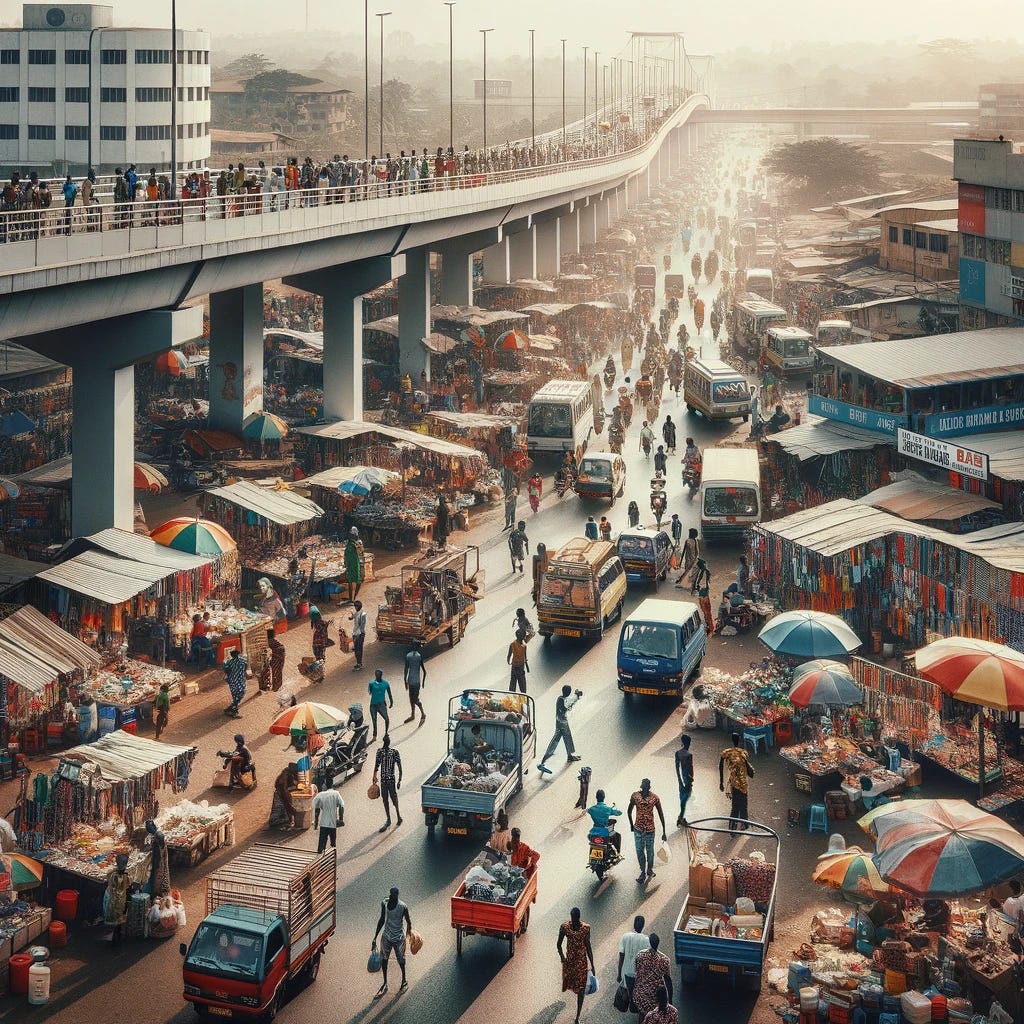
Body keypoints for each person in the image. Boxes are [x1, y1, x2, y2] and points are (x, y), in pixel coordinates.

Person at [557, 907, 596, 1024]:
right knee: (571, 985)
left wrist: (593, 965)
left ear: (577, 918)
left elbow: (588, 948)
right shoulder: (565, 928)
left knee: (581, 991)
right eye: (572, 919)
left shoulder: (584, 929)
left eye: (575, 918)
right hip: (571, 964)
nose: (573, 921)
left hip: (581, 965)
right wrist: (562, 958)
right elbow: (558, 945)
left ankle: (577, 1017)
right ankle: (577, 1016)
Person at [371, 887, 412, 998]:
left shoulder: (403, 907)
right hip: (387, 936)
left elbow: (408, 921)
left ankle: (404, 980)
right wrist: (375, 937)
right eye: (392, 895)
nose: (393, 897)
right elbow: (381, 920)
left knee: (401, 960)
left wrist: (410, 933)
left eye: (395, 896)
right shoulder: (385, 903)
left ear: (397, 895)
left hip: (399, 938)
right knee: (384, 960)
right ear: (390, 895)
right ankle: (385, 983)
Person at [628, 778, 667, 884]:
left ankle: (649, 869)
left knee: (650, 852)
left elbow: (661, 814)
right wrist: (631, 824)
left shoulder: (655, 798)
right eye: (644, 786)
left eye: (646, 786)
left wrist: (664, 831)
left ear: (648, 787)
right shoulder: (635, 796)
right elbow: (629, 810)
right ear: (642, 786)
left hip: (650, 830)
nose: (645, 788)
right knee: (640, 851)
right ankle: (642, 871)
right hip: (638, 829)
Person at [538, 685, 583, 773]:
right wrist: (576, 695)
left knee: (564, 739)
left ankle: (568, 756)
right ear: (568, 692)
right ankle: (544, 760)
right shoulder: (563, 700)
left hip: (560, 721)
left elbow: (568, 701)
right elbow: (569, 703)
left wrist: (576, 695)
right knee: (560, 740)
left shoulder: (560, 698)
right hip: (562, 723)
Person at [719, 732, 755, 832]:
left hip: (734, 783)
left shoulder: (726, 752)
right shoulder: (744, 753)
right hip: (744, 783)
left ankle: (732, 826)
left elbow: (720, 767)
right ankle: (744, 825)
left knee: (735, 806)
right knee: (743, 805)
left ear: (732, 740)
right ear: (739, 740)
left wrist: (721, 782)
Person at [632, 936, 673, 1021]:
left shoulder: (640, 955)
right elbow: (668, 981)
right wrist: (670, 1000)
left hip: (640, 995)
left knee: (643, 1015)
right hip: (656, 997)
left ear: (649, 943)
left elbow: (636, 973)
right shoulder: (665, 960)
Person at [617, 916, 650, 1010]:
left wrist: (619, 974)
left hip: (625, 973)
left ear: (634, 924)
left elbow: (621, 957)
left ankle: (625, 1006)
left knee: (625, 993)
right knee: (637, 995)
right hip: (638, 975)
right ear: (643, 925)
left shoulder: (625, 936)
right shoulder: (647, 940)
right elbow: (646, 961)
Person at [373, 734, 403, 831]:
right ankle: (393, 818)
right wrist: (399, 780)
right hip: (389, 781)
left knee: (388, 800)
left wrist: (374, 776)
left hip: (387, 781)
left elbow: (376, 766)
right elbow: (400, 768)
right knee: (389, 799)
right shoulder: (387, 752)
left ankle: (395, 818)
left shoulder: (391, 752)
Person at [105, 852, 130, 945]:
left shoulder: (113, 874)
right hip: (121, 900)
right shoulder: (125, 875)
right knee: (118, 918)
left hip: (112, 900)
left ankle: (112, 938)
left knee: (112, 918)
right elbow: (127, 885)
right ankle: (117, 936)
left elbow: (108, 879)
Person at [587, 788, 622, 854]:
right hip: (604, 833)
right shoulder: (608, 809)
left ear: (596, 797)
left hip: (592, 833)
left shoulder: (592, 809)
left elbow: (587, 810)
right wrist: (618, 811)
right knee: (617, 835)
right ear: (604, 797)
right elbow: (619, 813)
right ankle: (617, 854)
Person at [312, 785, 345, 853]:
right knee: (333, 843)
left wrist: (316, 823)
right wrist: (341, 819)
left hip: (324, 823)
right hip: (332, 823)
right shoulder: (336, 794)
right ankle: (332, 859)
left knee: (321, 843)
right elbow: (341, 806)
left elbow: (317, 810)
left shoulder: (320, 795)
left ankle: (320, 858)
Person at [269, 763, 299, 829]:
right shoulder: (285, 777)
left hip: (282, 792)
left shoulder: (287, 773)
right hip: (280, 793)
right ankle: (277, 821)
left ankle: (286, 820)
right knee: (280, 809)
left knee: (284, 809)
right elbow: (284, 791)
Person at [145, 818, 170, 896]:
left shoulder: (158, 837)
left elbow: (156, 851)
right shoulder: (157, 835)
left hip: (159, 862)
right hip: (161, 861)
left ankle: (157, 894)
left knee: (158, 878)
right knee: (162, 875)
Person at [403, 643, 426, 724]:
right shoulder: (418, 656)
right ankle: (413, 715)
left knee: (414, 699)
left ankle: (423, 714)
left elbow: (406, 669)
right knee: (412, 699)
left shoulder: (408, 656)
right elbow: (424, 671)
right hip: (415, 681)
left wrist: (405, 680)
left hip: (412, 681)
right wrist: (423, 681)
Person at [368, 669, 394, 741]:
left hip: (381, 704)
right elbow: (369, 691)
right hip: (373, 705)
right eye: (376, 674)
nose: (377, 676)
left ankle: (386, 732)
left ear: (381, 675)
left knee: (387, 719)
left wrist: (391, 701)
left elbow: (389, 693)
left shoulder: (386, 683)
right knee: (374, 720)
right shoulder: (371, 683)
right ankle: (374, 735)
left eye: (378, 675)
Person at [675, 734, 694, 827]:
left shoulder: (677, 753)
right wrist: (690, 779)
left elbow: (677, 768)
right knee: (686, 798)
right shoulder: (689, 755)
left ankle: (681, 817)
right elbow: (690, 768)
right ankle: (681, 818)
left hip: (681, 779)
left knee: (682, 799)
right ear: (688, 743)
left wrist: (680, 780)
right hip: (687, 779)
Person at [222, 649, 248, 718]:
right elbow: (245, 667)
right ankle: (234, 710)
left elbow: (225, 669)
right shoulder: (243, 661)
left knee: (235, 695)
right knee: (241, 693)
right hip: (240, 680)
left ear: (232, 655)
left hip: (233, 681)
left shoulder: (229, 662)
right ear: (238, 654)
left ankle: (232, 708)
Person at [344, 527, 364, 601]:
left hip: (353, 563)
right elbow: (360, 551)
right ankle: (352, 598)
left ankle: (352, 598)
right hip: (353, 563)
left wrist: (359, 546)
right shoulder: (352, 543)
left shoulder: (354, 543)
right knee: (355, 580)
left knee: (353, 580)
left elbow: (360, 551)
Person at [349, 600, 366, 670]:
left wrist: (359, 635)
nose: (355, 608)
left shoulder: (363, 614)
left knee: (359, 650)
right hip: (355, 633)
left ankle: (360, 664)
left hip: (359, 634)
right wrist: (351, 617)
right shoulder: (357, 612)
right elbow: (354, 616)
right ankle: (358, 663)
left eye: (356, 606)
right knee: (356, 650)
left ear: (358, 606)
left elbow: (362, 625)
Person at [532, 542, 549, 606]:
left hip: (540, 581)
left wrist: (535, 581)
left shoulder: (536, 558)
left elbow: (534, 574)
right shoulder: (548, 557)